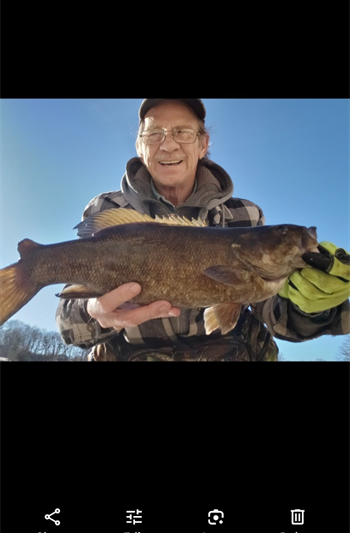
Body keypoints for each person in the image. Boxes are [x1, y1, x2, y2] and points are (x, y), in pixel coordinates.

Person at [56, 99, 350, 361]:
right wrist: (92, 311)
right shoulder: (106, 209)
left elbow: (275, 316)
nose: (168, 145)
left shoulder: (245, 216)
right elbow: (69, 328)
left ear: (203, 143)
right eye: (154, 133)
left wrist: (314, 307)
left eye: (183, 132)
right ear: (139, 144)